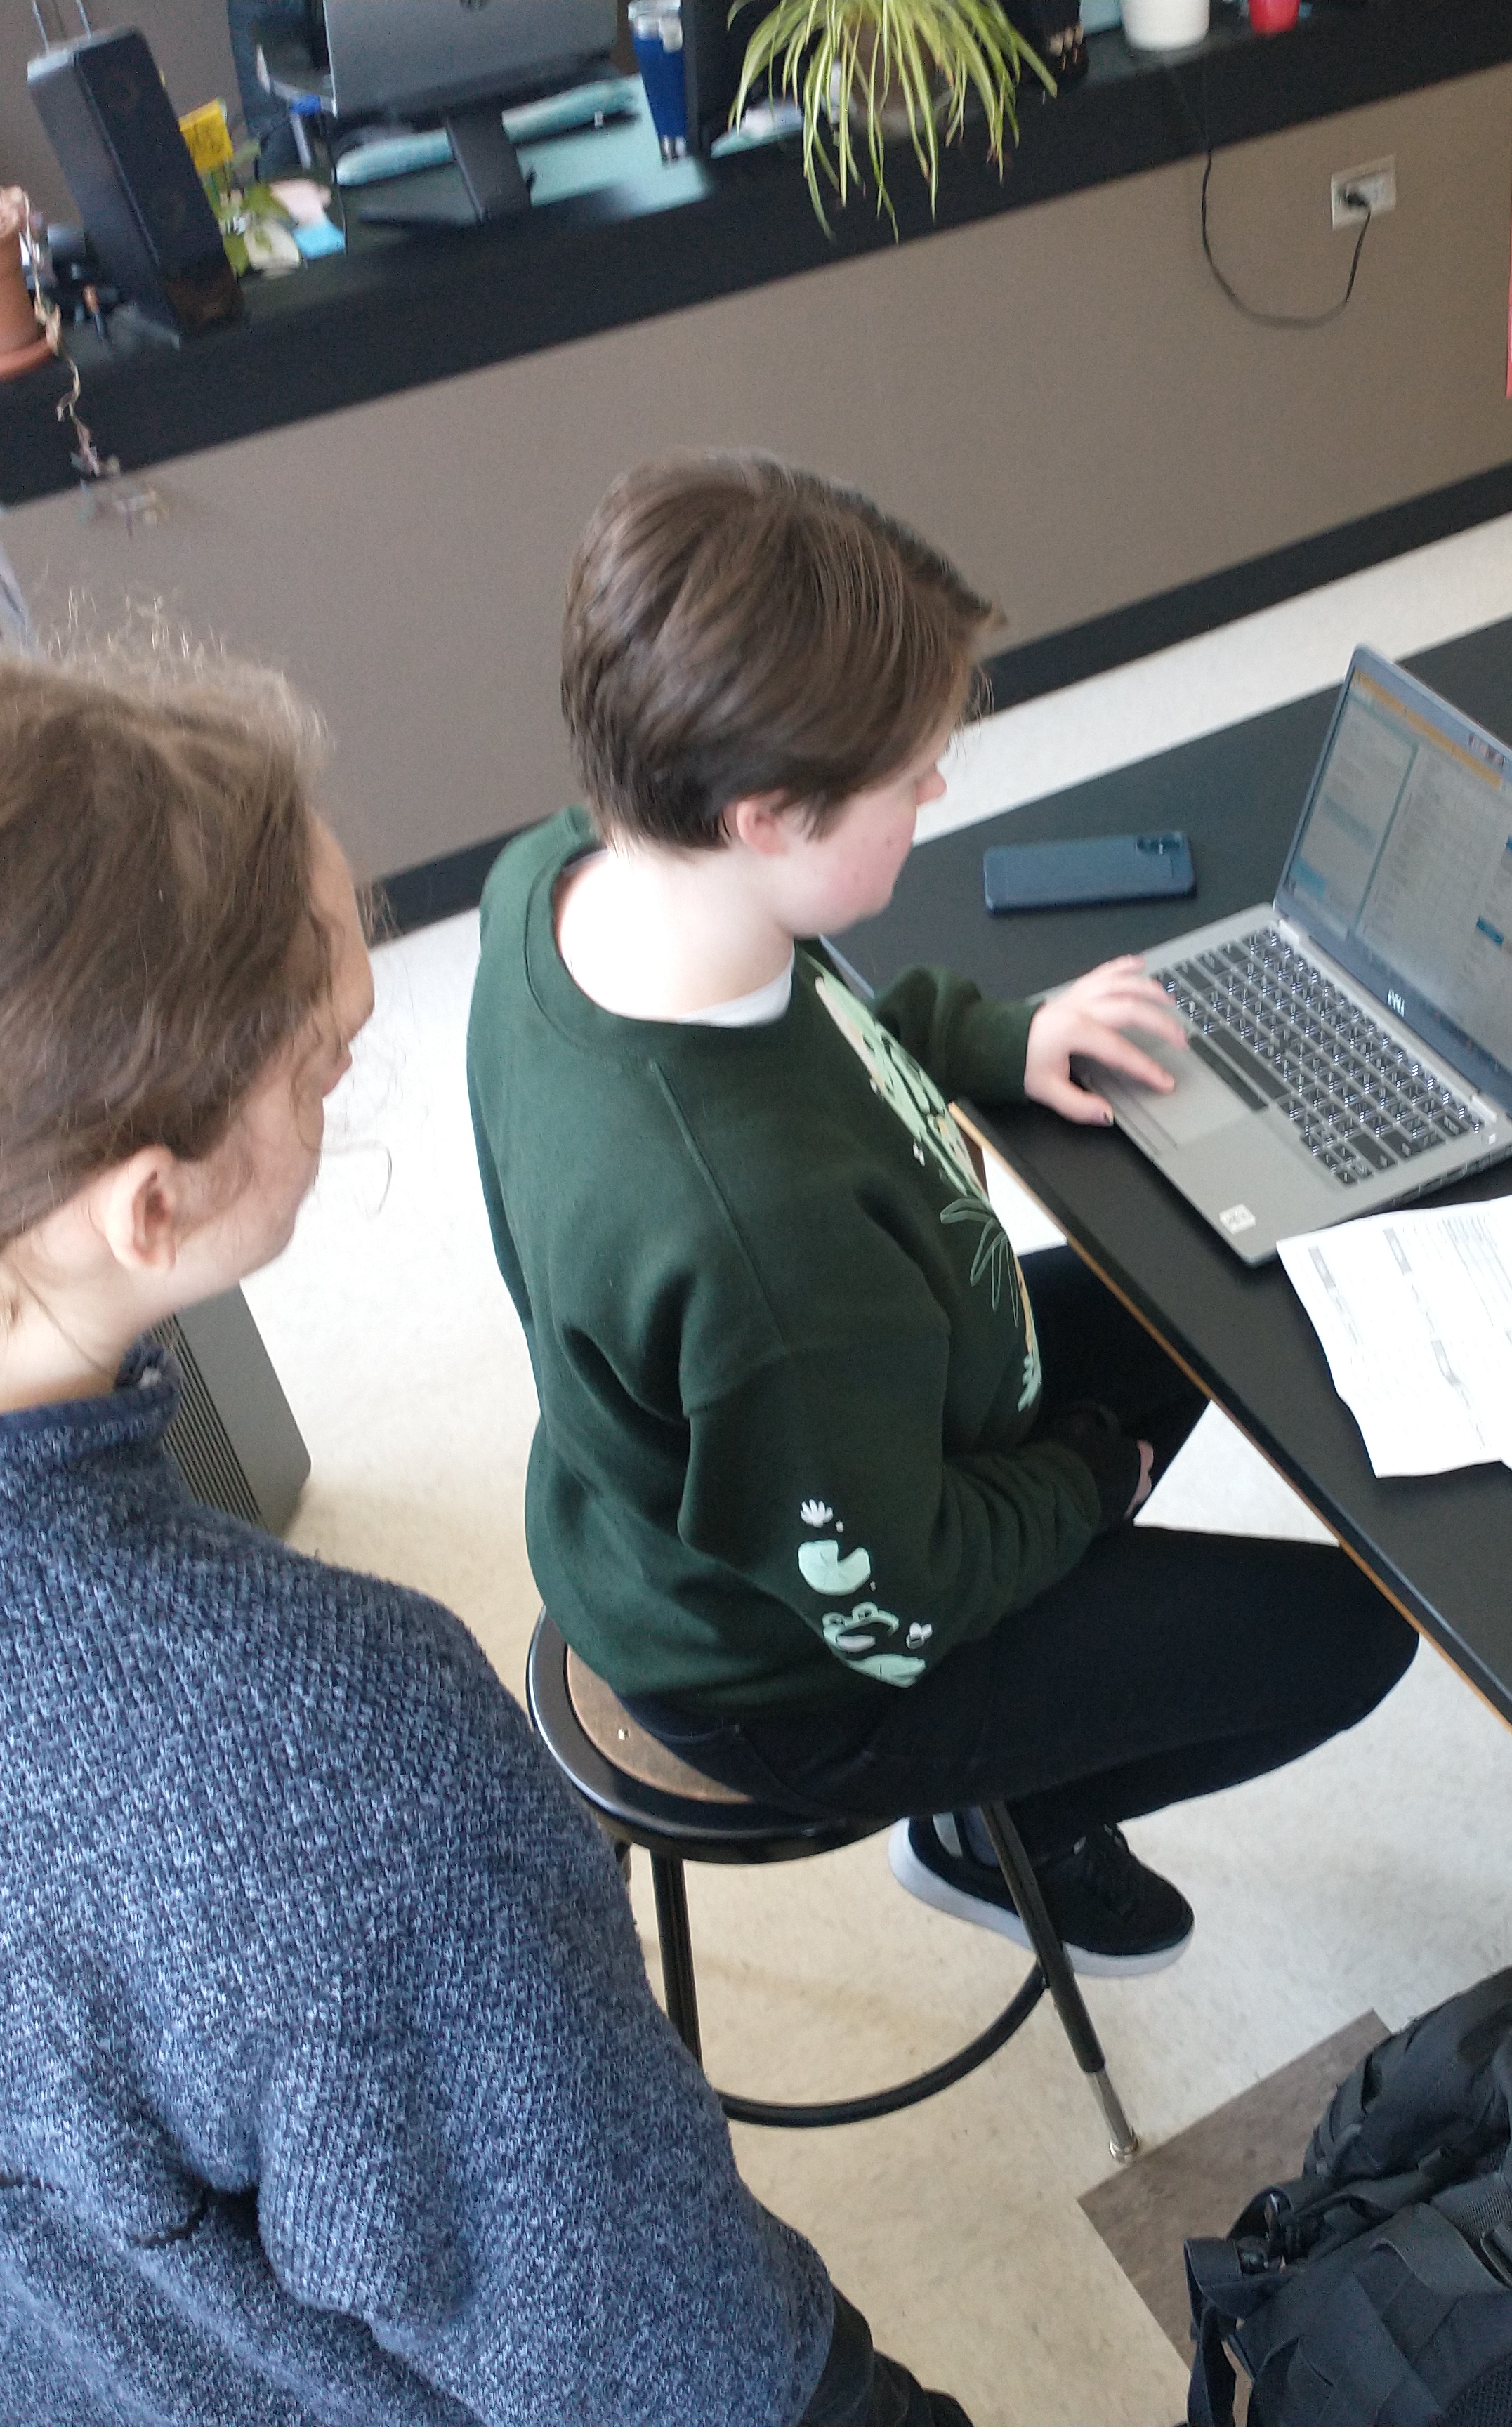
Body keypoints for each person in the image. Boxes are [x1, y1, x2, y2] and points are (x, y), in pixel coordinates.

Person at [0, 652, 965, 2427]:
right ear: (155, 1203)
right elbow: (680, 2377)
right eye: (330, 1057)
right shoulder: (325, 1757)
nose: (349, 1070)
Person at [466, 453, 1416, 1977]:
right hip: (807, 1671)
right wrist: (1086, 1482)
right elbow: (897, 1601)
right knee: (1352, 1635)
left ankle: (1021, 1736)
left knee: (1206, 1285)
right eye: (910, 775)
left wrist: (996, 1041)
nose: (938, 791)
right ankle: (1002, 1830)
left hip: (791, 1453)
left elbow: (820, 1020)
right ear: (767, 813)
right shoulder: (761, 1242)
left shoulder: (567, 881)